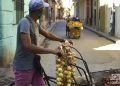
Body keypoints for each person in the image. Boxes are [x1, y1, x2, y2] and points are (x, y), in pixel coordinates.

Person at [12, 0, 72, 86]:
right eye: (42, 9)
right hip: (24, 66)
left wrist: (63, 40)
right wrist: (52, 51)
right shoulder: (25, 22)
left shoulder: (35, 23)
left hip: (34, 64)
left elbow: (47, 34)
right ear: (38, 11)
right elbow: (28, 46)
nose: (43, 11)